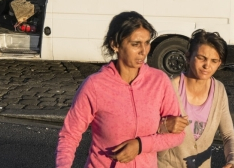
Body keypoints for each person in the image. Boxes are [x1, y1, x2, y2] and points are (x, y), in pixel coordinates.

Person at [56, 11, 185, 168]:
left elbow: (178, 135)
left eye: (147, 42)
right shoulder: (95, 85)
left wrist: (140, 145)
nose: (144, 51)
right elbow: (70, 134)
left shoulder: (159, 81)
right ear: (115, 44)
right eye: (135, 44)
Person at [158, 30, 234, 168]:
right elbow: (146, 132)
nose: (207, 65)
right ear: (188, 57)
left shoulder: (219, 90)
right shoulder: (169, 88)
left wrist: (233, 161)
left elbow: (228, 135)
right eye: (201, 58)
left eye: (214, 61)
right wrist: (164, 126)